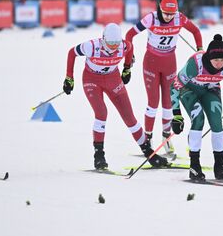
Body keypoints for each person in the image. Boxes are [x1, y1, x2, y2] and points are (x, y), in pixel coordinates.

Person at [63, 23, 169, 170]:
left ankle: (149, 153)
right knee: (101, 113)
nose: (113, 47)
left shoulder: (123, 46)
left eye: (116, 43)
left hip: (113, 79)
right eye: (110, 43)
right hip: (92, 80)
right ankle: (99, 156)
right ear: (103, 39)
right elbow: (71, 53)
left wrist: (127, 68)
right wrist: (69, 78)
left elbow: (130, 48)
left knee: (129, 117)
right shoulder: (92, 46)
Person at [124, 0, 203, 157]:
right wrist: (129, 57)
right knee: (153, 102)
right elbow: (129, 35)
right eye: (166, 13)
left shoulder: (179, 18)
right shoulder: (150, 18)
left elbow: (196, 31)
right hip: (151, 63)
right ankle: (148, 138)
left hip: (169, 63)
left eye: (171, 13)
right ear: (160, 8)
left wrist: (200, 49)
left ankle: (166, 138)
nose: (168, 17)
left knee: (168, 103)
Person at [169, 34, 223, 182]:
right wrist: (177, 115)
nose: (219, 64)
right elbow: (174, 87)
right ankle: (194, 166)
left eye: (222, 60)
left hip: (210, 90)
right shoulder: (195, 64)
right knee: (198, 119)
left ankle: (219, 168)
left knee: (217, 122)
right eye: (216, 60)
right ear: (209, 57)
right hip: (189, 90)